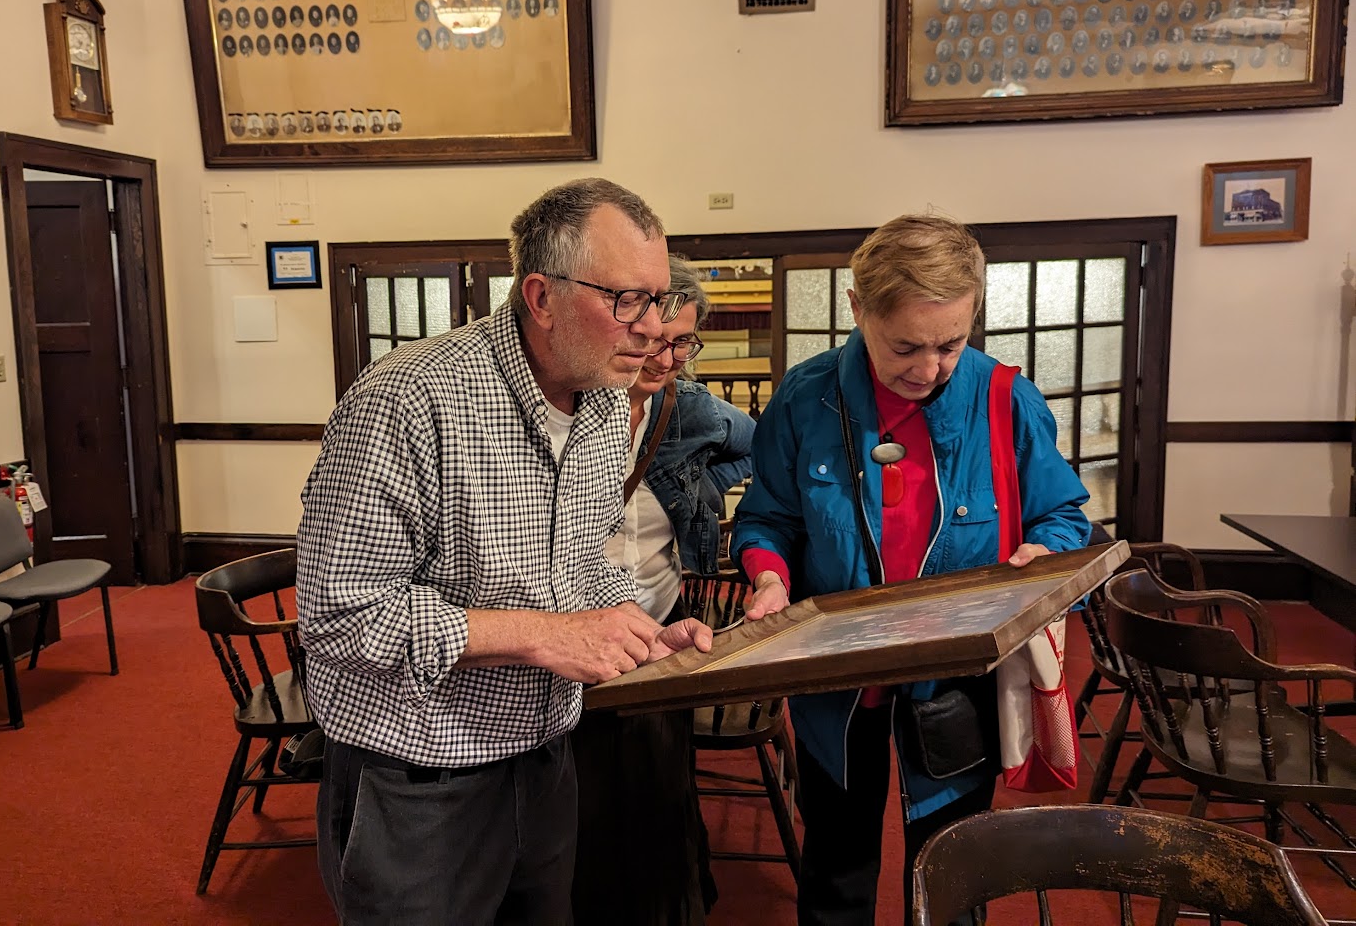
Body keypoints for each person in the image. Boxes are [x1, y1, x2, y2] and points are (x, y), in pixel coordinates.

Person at [298, 179, 714, 924]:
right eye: (627, 300)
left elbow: (580, 564)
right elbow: (340, 616)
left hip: (546, 755)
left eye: (659, 301)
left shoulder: (598, 401)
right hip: (419, 775)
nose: (653, 329)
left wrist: (636, 631)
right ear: (540, 295)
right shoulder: (409, 400)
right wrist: (542, 636)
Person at [731, 215, 1090, 926]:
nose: (928, 370)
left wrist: (1041, 555)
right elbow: (767, 517)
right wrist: (768, 574)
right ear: (857, 307)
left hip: (955, 671)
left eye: (950, 344)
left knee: (953, 863)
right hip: (834, 673)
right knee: (835, 859)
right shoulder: (806, 398)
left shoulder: (1002, 397)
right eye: (905, 346)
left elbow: (1062, 515)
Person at [570, 256, 755, 925]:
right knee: (583, 790)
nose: (666, 356)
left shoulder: (692, 409)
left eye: (682, 341)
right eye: (651, 340)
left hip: (658, 617)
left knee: (656, 784)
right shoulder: (575, 399)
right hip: (573, 630)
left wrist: (697, 491)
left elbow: (754, 446)